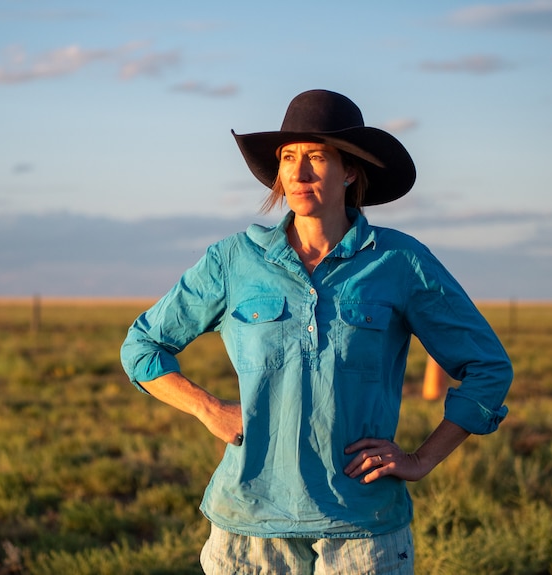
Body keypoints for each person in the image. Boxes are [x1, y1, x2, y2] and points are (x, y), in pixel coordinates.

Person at [120, 89, 512, 574]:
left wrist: (421, 459)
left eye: (317, 157)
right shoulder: (232, 261)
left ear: (350, 170)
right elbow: (142, 346)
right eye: (288, 158)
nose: (299, 173)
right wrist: (207, 408)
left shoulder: (399, 261)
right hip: (249, 528)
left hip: (364, 533)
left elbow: (488, 368)